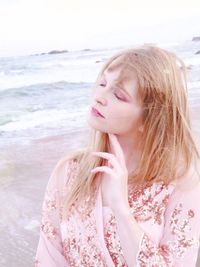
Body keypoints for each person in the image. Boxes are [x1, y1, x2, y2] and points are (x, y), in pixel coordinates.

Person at [34, 45, 200, 267]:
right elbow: (49, 258)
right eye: (102, 83)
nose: (99, 97)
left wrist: (121, 210)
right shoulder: (69, 171)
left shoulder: (180, 183)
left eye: (119, 95)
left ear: (149, 119)